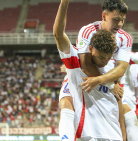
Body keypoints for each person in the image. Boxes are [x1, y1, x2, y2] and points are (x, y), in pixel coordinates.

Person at [54, 0, 124, 140]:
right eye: (101, 57)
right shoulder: (76, 63)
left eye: (108, 58)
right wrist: (64, 3)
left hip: (113, 135)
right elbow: (59, 34)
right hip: (88, 135)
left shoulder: (112, 74)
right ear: (90, 49)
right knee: (66, 102)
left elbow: (119, 108)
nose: (104, 62)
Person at [75, 0, 138, 140]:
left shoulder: (125, 38)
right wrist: (109, 84)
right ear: (104, 16)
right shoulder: (88, 31)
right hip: (94, 87)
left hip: (115, 88)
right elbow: (86, 64)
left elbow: (122, 68)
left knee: (129, 119)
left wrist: (105, 82)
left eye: (122, 20)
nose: (119, 24)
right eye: (116, 19)